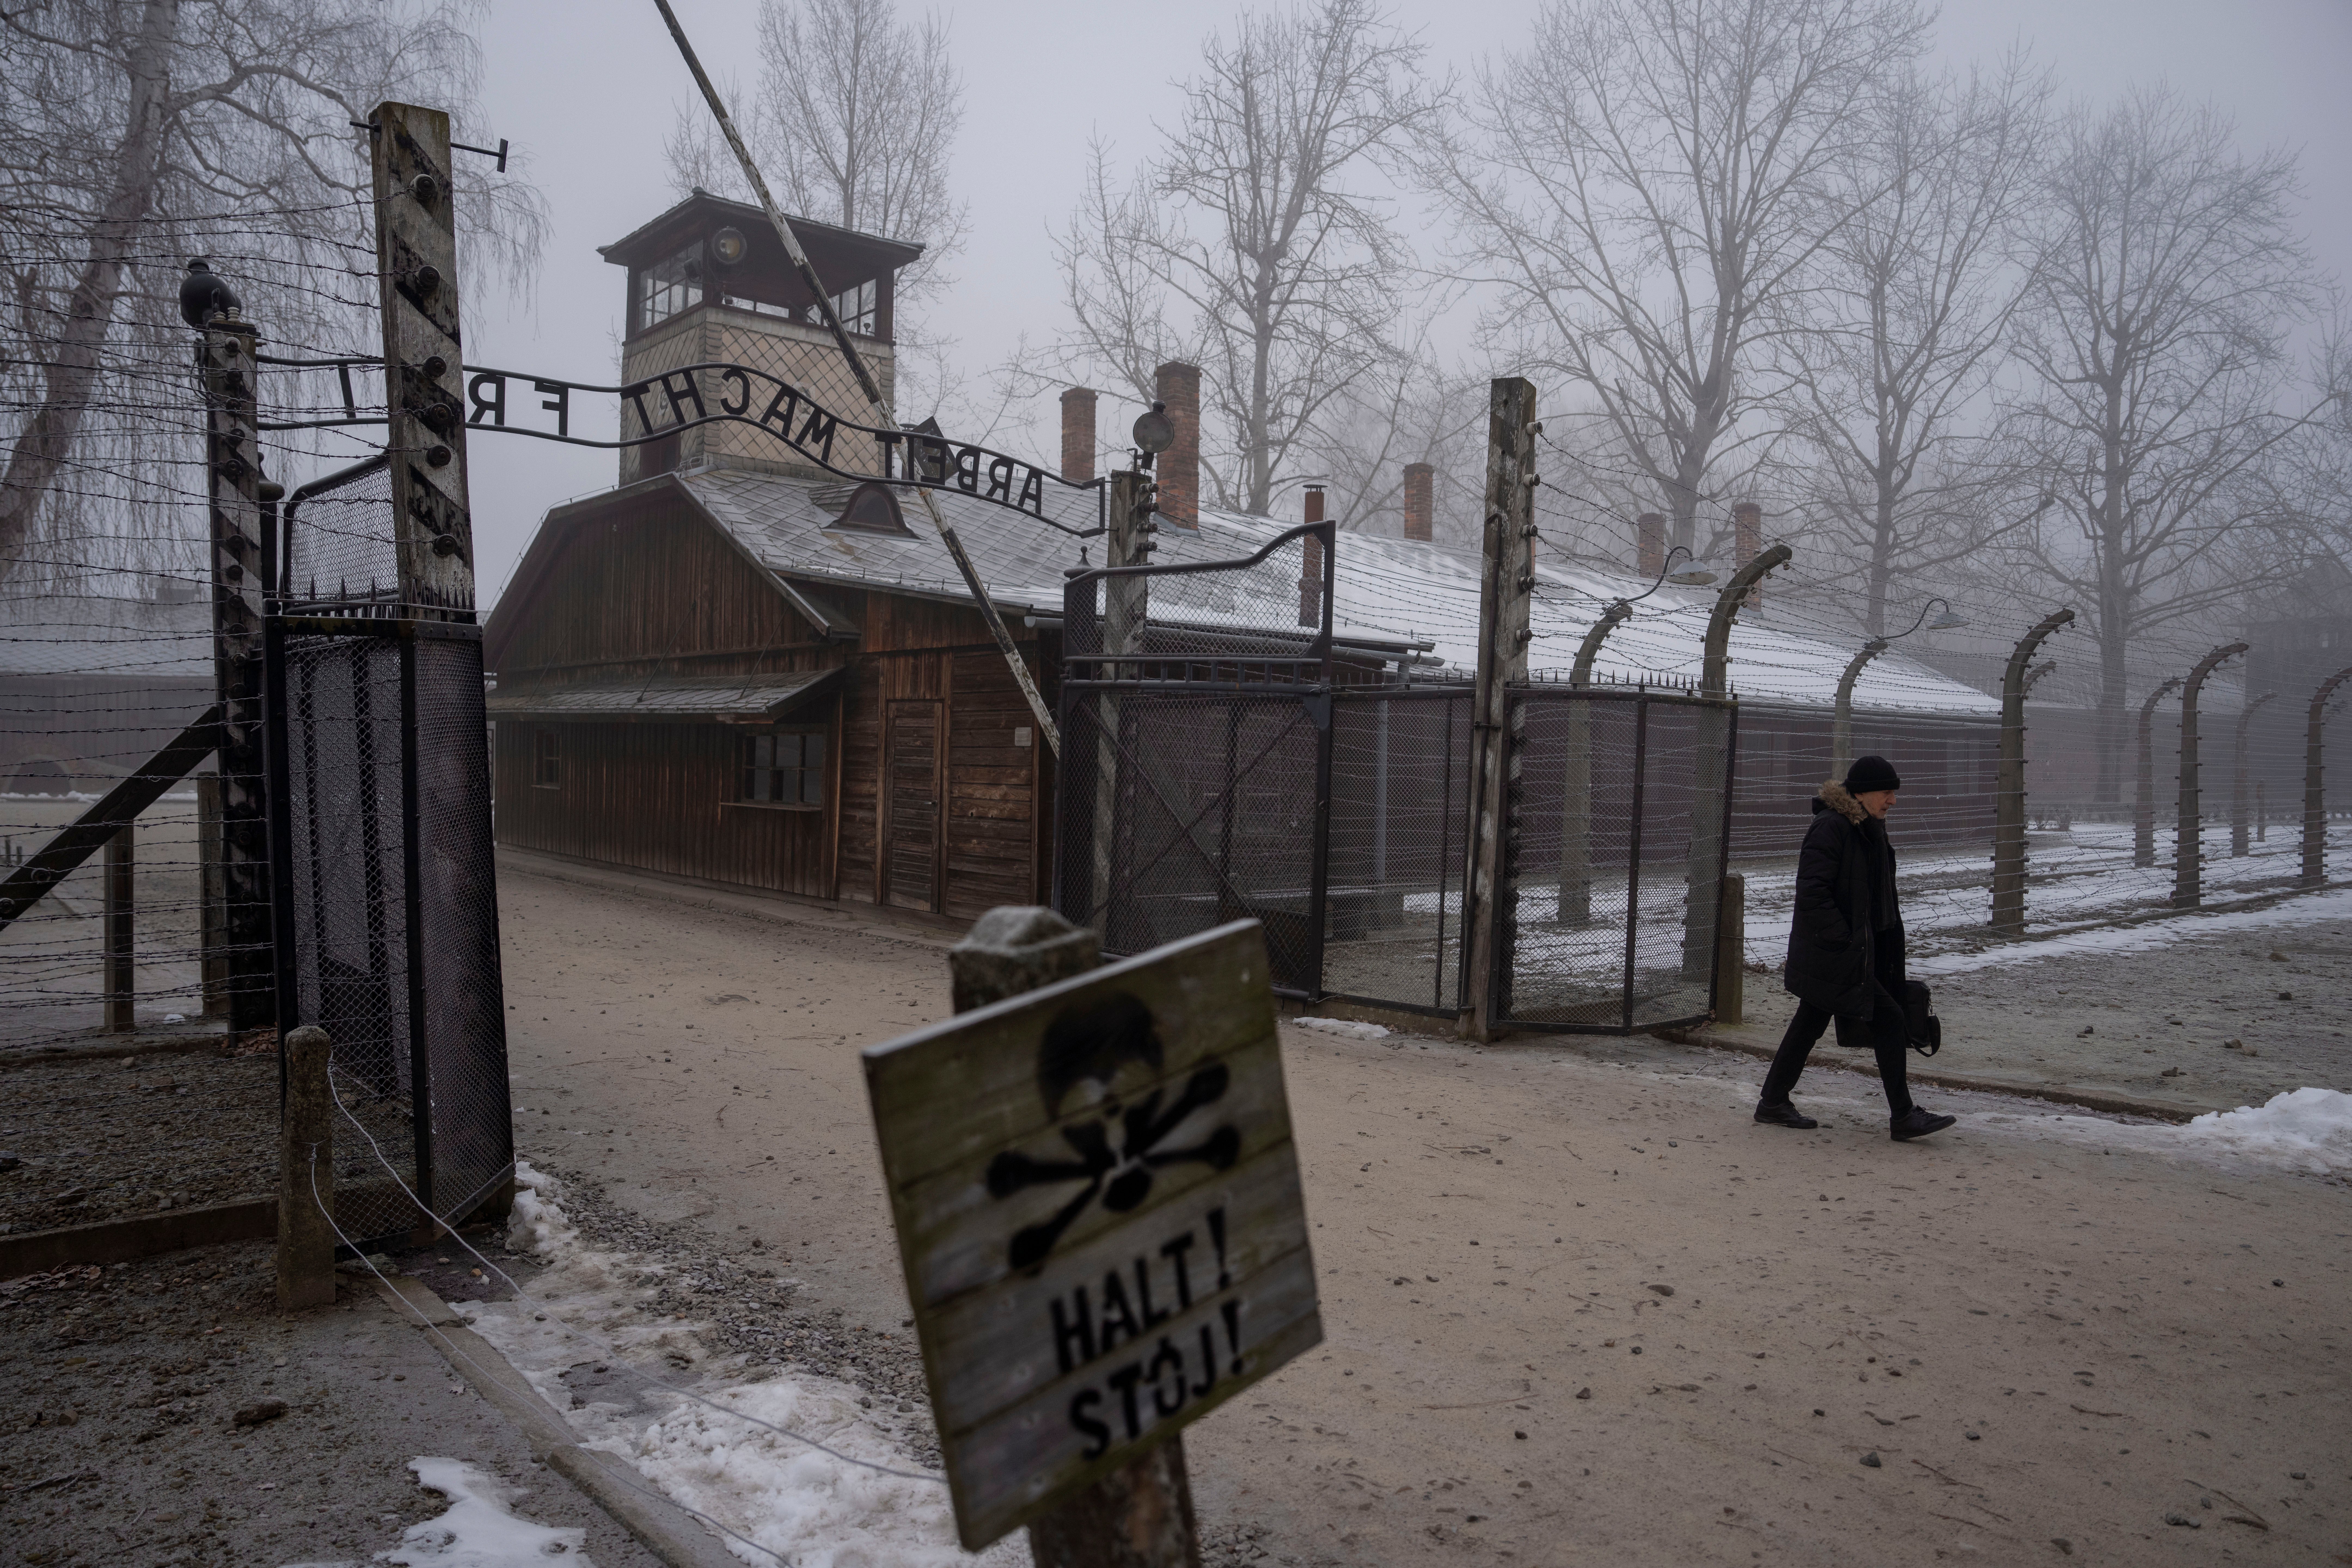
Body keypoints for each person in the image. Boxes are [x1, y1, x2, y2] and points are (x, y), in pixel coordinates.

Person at [1754, 755, 1956, 1142]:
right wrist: (1846, 940)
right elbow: (1813, 893)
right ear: (1861, 794)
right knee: (1890, 1019)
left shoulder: (1868, 827)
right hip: (1837, 953)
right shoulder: (1832, 827)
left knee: (1810, 1022)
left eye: (1894, 793)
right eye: (1887, 793)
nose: (1893, 800)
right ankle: (1903, 1116)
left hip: (1852, 952)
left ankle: (1773, 1102)